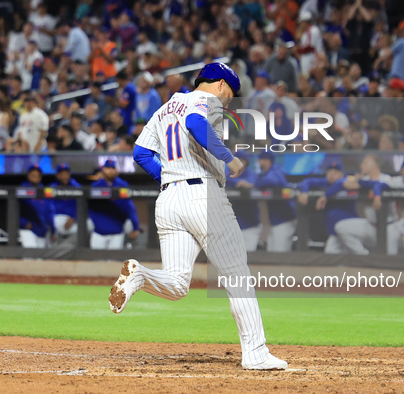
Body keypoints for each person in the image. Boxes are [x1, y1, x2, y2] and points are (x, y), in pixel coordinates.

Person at [115, 62, 288, 370]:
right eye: (230, 95)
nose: (228, 102)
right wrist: (230, 159)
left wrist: (170, 178)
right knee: (237, 275)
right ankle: (256, 352)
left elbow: (141, 153)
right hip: (202, 195)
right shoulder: (203, 100)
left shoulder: (167, 106)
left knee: (178, 283)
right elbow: (195, 124)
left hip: (168, 198)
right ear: (220, 84)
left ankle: (140, 275)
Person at [298, 162, 362, 254]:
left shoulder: (347, 182)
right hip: (335, 233)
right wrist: (303, 192)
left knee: (358, 253)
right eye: (329, 172)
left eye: (335, 172)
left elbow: (341, 183)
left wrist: (325, 196)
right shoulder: (326, 183)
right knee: (330, 253)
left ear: (341, 174)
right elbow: (307, 181)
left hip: (349, 230)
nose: (331, 174)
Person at [89, 159, 140, 250]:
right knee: (96, 262)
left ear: (116, 170)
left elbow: (130, 207)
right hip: (99, 232)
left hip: (117, 232)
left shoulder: (122, 185)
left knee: (114, 262)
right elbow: (89, 208)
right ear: (103, 169)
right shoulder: (96, 186)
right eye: (108, 168)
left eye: (113, 168)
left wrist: (136, 227)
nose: (110, 170)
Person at [255, 151, 297, 253]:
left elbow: (273, 181)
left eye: (260, 160)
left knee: (280, 253)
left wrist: (255, 182)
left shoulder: (276, 170)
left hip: (284, 220)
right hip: (276, 221)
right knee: (272, 252)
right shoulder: (268, 172)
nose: (259, 163)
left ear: (267, 161)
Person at [225, 152, 260, 252]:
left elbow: (252, 181)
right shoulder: (229, 175)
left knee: (249, 256)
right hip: (232, 226)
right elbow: (226, 179)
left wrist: (245, 183)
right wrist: (238, 182)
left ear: (243, 162)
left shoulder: (251, 174)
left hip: (250, 225)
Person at [19, 164, 55, 248]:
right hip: (28, 229)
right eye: (33, 175)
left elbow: (50, 211)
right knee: (31, 256)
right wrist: (23, 222)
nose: (35, 177)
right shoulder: (22, 189)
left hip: (42, 230)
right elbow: (15, 209)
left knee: (40, 259)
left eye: (37, 175)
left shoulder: (45, 191)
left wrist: (53, 229)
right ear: (28, 176)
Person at [50, 163, 83, 238]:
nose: (65, 176)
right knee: (51, 224)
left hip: (73, 219)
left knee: (88, 225)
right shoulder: (51, 188)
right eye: (62, 174)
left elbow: (81, 205)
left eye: (66, 173)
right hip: (57, 218)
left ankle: (69, 248)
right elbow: (48, 206)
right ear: (57, 175)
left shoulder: (77, 187)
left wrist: (74, 218)